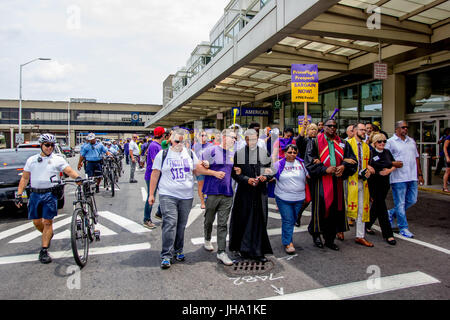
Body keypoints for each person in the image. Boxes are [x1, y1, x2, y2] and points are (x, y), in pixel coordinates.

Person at [15, 134, 82, 264]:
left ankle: (44, 249)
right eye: (47, 145)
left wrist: (78, 179)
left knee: (47, 222)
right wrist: (19, 194)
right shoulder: (32, 160)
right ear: (41, 145)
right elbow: (25, 178)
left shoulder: (58, 159)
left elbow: (69, 171)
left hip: (50, 195)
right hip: (35, 194)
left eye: (52, 145)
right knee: (36, 222)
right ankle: (48, 233)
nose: (49, 148)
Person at [148, 129, 199, 269]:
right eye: (177, 141)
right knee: (170, 224)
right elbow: (155, 174)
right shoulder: (163, 154)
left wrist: (206, 165)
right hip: (167, 194)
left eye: (183, 141)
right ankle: (166, 254)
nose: (180, 144)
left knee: (181, 225)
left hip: (186, 196)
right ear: (170, 140)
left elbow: (197, 170)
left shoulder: (190, 153)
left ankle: (178, 250)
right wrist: (151, 194)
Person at [304, 119, 357, 251]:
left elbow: (353, 160)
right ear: (324, 127)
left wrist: (344, 166)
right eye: (329, 126)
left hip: (337, 181)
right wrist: (324, 169)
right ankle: (316, 233)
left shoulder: (343, 143)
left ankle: (330, 239)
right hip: (321, 181)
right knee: (320, 210)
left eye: (334, 126)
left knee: (334, 211)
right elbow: (310, 161)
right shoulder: (315, 142)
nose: (332, 128)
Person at [229, 129, 273, 262]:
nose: (252, 142)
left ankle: (258, 252)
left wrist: (265, 177)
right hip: (244, 192)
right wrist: (246, 179)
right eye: (249, 139)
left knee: (260, 221)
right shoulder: (240, 153)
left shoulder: (263, 153)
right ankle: (244, 249)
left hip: (260, 192)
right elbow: (235, 173)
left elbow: (270, 170)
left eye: (254, 139)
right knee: (244, 220)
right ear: (246, 140)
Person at [195, 129, 236, 266]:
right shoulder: (211, 151)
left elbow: (233, 170)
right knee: (209, 219)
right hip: (212, 192)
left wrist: (239, 171)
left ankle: (222, 252)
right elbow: (198, 169)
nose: (234, 140)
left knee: (223, 224)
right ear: (224, 137)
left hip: (227, 193)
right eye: (232, 138)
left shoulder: (232, 153)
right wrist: (213, 172)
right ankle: (207, 238)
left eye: (236, 138)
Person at [385, 121, 424, 238]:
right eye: (403, 127)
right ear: (397, 129)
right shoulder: (390, 142)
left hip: (412, 176)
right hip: (398, 178)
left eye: (406, 127)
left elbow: (416, 158)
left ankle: (390, 213)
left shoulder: (411, 141)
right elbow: (385, 158)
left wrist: (420, 174)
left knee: (412, 200)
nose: (405, 129)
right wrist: (393, 163)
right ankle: (403, 227)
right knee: (400, 203)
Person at [365, 133, 401, 245]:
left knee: (377, 205)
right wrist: (368, 167)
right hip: (374, 182)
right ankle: (388, 234)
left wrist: (388, 171)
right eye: (380, 141)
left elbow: (395, 164)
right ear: (375, 143)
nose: (382, 143)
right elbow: (364, 163)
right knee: (382, 207)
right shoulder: (370, 152)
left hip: (385, 183)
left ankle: (367, 224)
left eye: (384, 141)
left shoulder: (387, 152)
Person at [273, 144, 309, 254]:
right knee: (288, 220)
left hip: (299, 198)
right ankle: (288, 243)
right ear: (284, 153)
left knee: (292, 219)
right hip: (283, 198)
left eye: (294, 152)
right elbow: (269, 176)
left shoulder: (302, 164)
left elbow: (308, 177)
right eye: (289, 152)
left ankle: (287, 238)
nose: (292, 155)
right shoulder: (278, 164)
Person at [344, 123, 376, 247]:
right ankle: (339, 230)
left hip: (362, 181)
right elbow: (340, 158)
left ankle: (360, 236)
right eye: (362, 130)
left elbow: (367, 162)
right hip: (349, 180)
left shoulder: (366, 147)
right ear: (355, 130)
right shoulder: (347, 144)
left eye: (365, 130)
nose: (364, 132)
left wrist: (368, 169)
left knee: (362, 208)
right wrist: (345, 161)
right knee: (345, 206)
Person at [143, 127, 165, 229]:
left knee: (165, 193)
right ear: (162, 135)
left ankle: (159, 213)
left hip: (159, 175)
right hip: (152, 176)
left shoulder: (158, 145)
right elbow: (154, 161)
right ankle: (146, 219)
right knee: (151, 197)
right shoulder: (153, 146)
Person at [192, 130, 210, 209]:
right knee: (201, 185)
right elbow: (192, 157)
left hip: (208, 168)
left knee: (209, 185)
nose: (203, 137)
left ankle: (208, 201)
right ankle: (202, 202)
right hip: (199, 169)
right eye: (202, 135)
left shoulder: (210, 145)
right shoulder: (195, 146)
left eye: (205, 135)